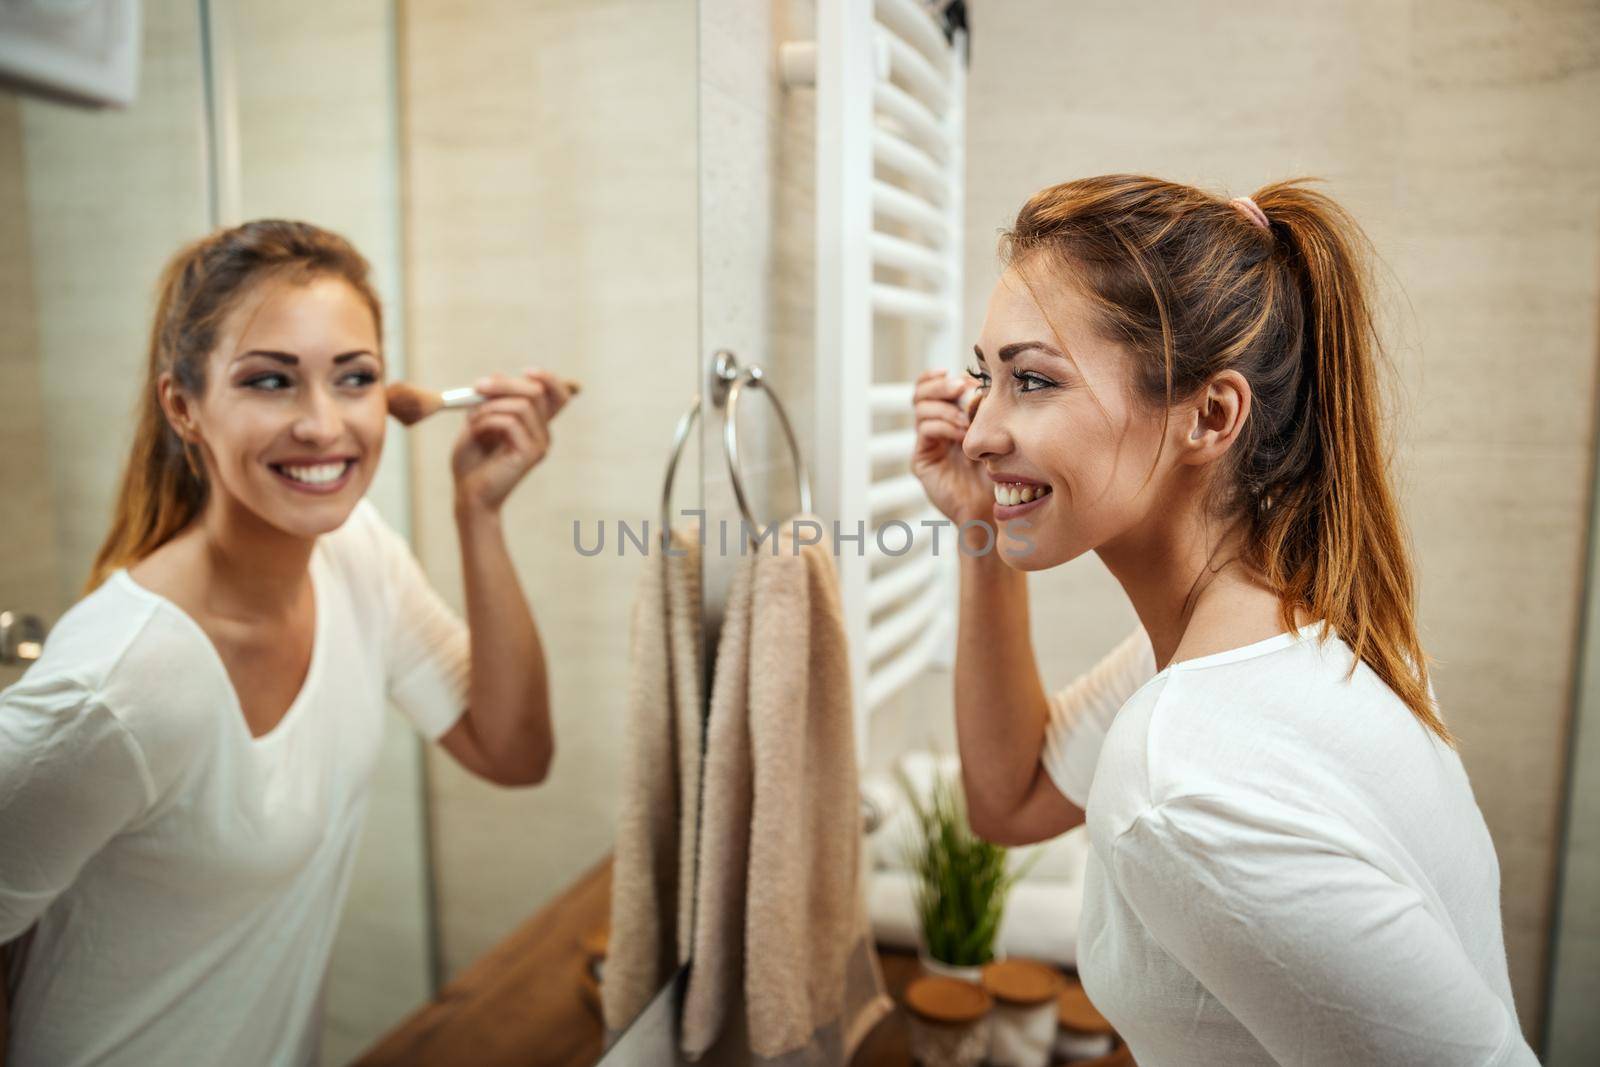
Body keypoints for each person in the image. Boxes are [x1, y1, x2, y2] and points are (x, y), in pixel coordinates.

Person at [910, 175, 1538, 1065]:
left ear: (1211, 415)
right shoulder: (1296, 620)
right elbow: (1010, 799)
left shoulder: (1184, 781)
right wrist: (983, 521)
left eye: (1033, 380)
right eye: (987, 378)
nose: (978, 431)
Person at [0, 219, 565, 1066]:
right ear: (182, 406)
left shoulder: (356, 555)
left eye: (354, 378)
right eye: (270, 380)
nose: (320, 423)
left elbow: (512, 748)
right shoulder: (117, 687)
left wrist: (478, 513)